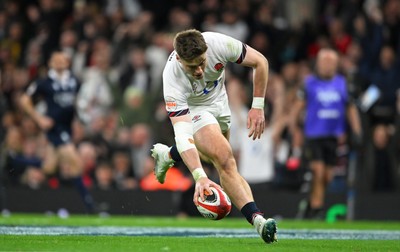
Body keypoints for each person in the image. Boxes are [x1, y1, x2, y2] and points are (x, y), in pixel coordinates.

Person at [151, 29, 277, 244]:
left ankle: (169, 155)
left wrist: (257, 106)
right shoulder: (171, 80)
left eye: (202, 62)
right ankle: (258, 220)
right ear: (179, 59)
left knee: (223, 165)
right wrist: (199, 177)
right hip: (195, 110)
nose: (199, 70)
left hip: (220, 104)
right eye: (192, 66)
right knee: (225, 159)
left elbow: (261, 62)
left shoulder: (218, 43)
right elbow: (183, 136)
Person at [18, 51, 95, 213]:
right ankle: (90, 206)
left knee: (49, 168)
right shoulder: (44, 82)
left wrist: (81, 118)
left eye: (62, 60)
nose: (60, 62)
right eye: (56, 60)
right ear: (50, 63)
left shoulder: (74, 81)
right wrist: (39, 119)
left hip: (67, 127)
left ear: (67, 63)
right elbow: (24, 100)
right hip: (54, 128)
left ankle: (16, 160)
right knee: (75, 163)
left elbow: (80, 102)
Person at [290, 48, 362, 219]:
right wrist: (295, 130)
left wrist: (357, 131)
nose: (327, 66)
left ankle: (310, 204)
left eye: (331, 62)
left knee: (328, 176)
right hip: (313, 135)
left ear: (336, 64)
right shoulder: (309, 83)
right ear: (318, 64)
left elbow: (351, 108)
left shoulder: (343, 84)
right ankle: (317, 208)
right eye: (324, 62)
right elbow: (296, 109)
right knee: (318, 170)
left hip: (333, 136)